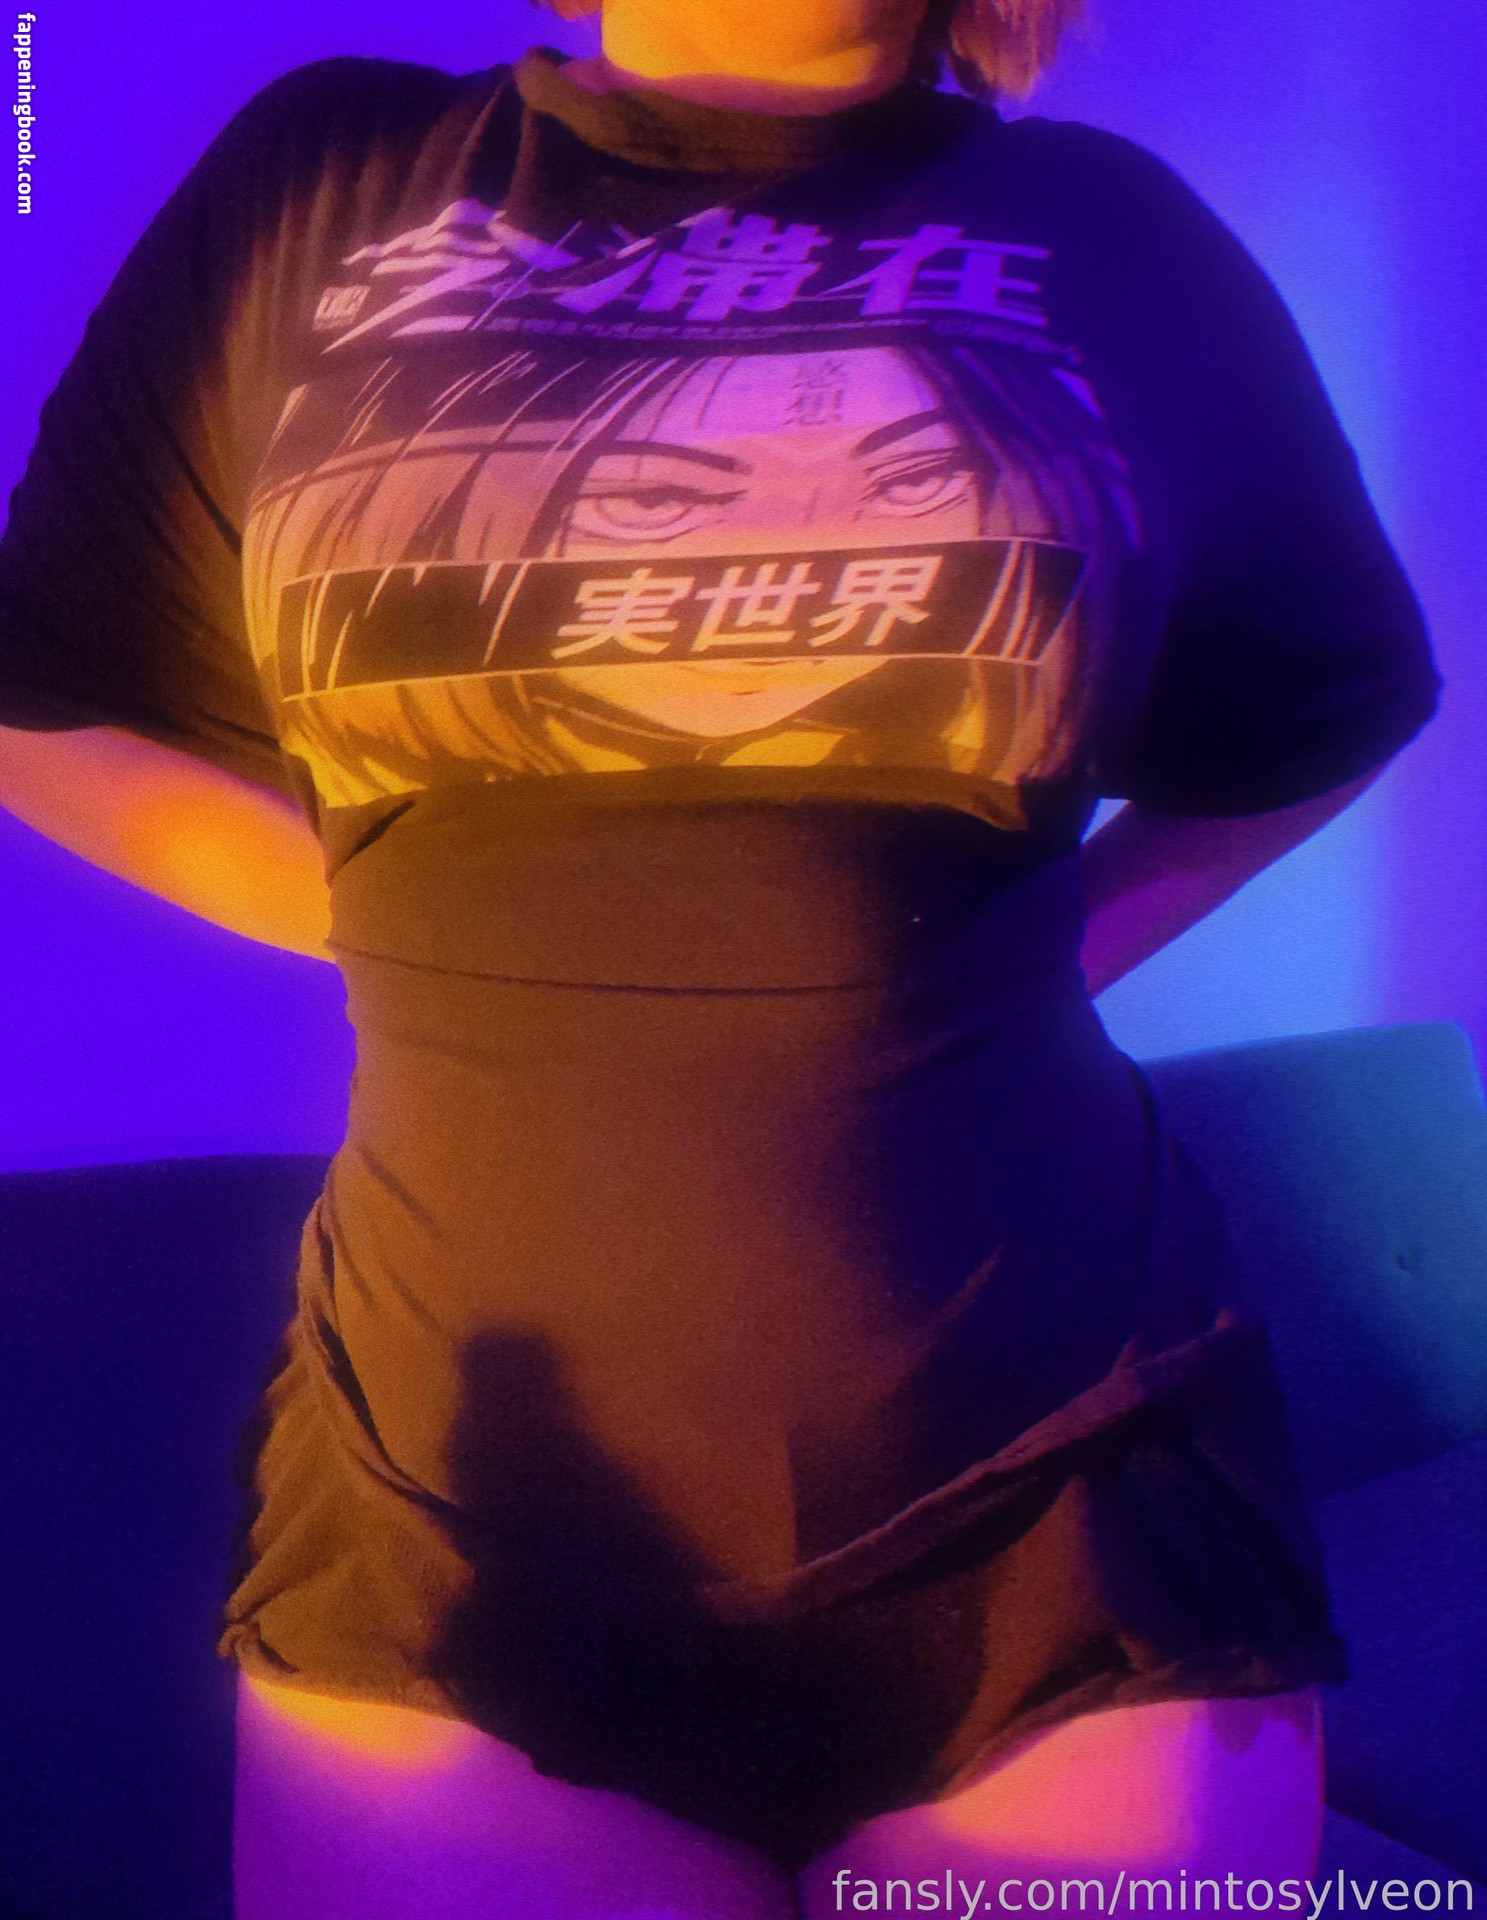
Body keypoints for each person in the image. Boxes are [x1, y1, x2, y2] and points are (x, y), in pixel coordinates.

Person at [0, 0, 1440, 1913]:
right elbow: (42, 695)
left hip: (1070, 1483)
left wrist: (1034, 953)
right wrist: (422, 941)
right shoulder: (325, 185)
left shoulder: (1112, 231)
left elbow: (1328, 703)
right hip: (459, 1506)